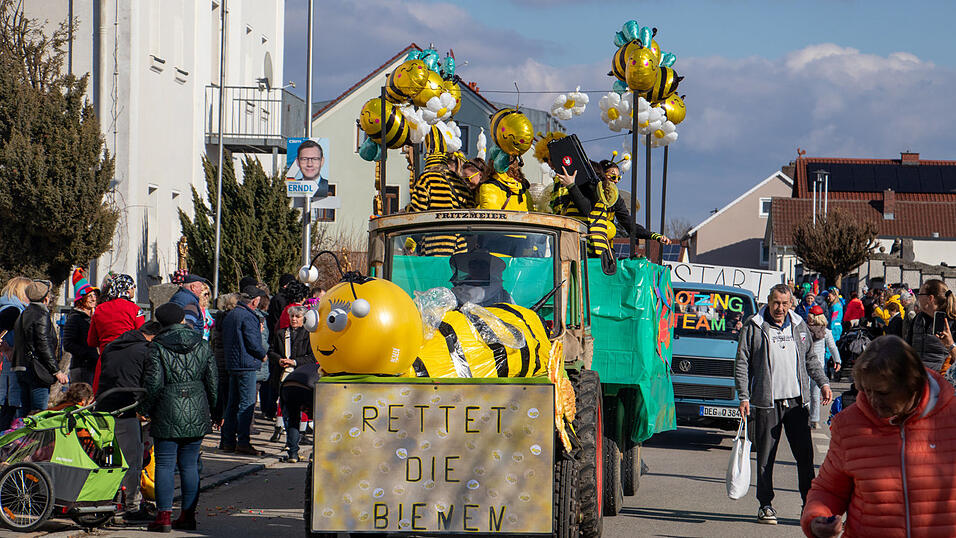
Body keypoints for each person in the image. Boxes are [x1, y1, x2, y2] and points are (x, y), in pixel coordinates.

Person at [801, 336, 956, 538]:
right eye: (866, 391)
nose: (873, 401)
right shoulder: (849, 423)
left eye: (883, 393)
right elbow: (829, 490)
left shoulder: (950, 417)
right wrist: (816, 518)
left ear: (912, 384)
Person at [735, 283, 832, 524]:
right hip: (767, 403)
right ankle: (765, 505)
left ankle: (808, 506)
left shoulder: (799, 325)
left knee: (805, 458)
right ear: (768, 301)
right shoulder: (754, 325)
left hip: (797, 403)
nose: (780, 308)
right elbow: (742, 362)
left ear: (791, 303)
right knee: (766, 458)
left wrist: (824, 383)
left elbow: (811, 358)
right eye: (775, 303)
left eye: (784, 303)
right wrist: (744, 396)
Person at [142, 303, 217, 532]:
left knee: (164, 463)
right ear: (182, 319)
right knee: (189, 464)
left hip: (167, 407)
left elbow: (153, 383)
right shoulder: (202, 344)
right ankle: (188, 515)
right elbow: (213, 380)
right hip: (196, 407)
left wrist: (146, 408)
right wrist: (215, 411)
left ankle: (163, 516)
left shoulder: (157, 346)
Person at [96, 320, 162, 519]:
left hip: (103, 407)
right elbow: (149, 382)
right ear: (153, 337)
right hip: (127, 408)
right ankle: (131, 507)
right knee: (132, 460)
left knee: (107, 459)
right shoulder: (146, 351)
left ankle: (106, 499)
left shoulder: (112, 346)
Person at [220, 286, 269, 455]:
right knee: (247, 404)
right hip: (246, 364)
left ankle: (227, 441)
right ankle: (243, 442)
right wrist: (263, 355)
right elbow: (253, 342)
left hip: (233, 364)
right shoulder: (248, 317)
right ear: (255, 301)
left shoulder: (231, 314)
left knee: (232, 404)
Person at [13, 280, 69, 413]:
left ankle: (23, 434)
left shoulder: (24, 314)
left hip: (22, 368)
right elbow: (43, 344)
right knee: (38, 415)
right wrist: (57, 371)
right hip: (38, 371)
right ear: (46, 298)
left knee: (25, 413)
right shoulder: (41, 315)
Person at [267, 306, 316, 443]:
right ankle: (279, 429)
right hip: (283, 374)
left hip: (302, 376)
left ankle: (300, 434)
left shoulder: (309, 335)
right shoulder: (281, 333)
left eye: (297, 317)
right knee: (283, 403)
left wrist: (294, 362)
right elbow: (271, 351)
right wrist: (279, 360)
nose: (294, 319)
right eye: (292, 316)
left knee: (302, 405)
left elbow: (312, 357)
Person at [87, 274, 144, 391]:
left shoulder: (99, 309)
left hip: (105, 359)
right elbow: (142, 336)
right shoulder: (135, 309)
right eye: (134, 287)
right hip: (129, 361)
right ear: (128, 289)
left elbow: (91, 341)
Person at [907, 279, 956, 373]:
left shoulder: (952, 321)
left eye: (920, 294)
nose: (918, 298)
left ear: (930, 298)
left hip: (941, 380)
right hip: (918, 377)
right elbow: (908, 347)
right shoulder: (918, 319)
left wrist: (950, 345)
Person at [0, 276, 29, 428]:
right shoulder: (14, 310)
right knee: (13, 411)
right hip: (14, 365)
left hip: (7, 366)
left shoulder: (5, 306)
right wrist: (7, 349)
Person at [807, 305, 841, 428]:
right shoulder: (826, 332)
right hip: (819, 366)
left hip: (806, 365)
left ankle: (808, 416)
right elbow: (832, 347)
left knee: (807, 393)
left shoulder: (805, 330)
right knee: (815, 394)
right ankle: (814, 419)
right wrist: (838, 360)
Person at [63, 268, 100, 385]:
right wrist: (89, 353)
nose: (93, 298)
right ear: (82, 299)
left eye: (94, 295)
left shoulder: (94, 317)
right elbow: (68, 344)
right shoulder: (75, 318)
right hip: (81, 368)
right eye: (89, 296)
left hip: (93, 366)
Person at [279, 361, 320, 463]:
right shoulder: (324, 369)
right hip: (308, 387)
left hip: (287, 386)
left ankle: (292, 454)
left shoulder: (307, 366)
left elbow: (284, 410)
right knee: (320, 421)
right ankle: (315, 454)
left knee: (293, 420)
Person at [210, 293, 239, 428]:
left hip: (218, 357)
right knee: (228, 394)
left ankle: (219, 418)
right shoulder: (231, 320)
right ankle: (224, 420)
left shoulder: (220, 318)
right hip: (227, 358)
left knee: (221, 390)